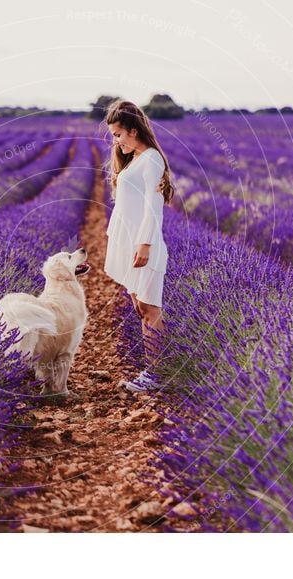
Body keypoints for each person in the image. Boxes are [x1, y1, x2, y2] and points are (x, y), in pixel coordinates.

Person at [101, 100, 174, 392]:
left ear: (133, 130)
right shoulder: (135, 160)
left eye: (118, 134)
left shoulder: (152, 158)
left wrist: (145, 244)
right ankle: (157, 371)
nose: (115, 142)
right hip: (133, 244)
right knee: (142, 308)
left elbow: (152, 206)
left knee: (150, 310)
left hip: (146, 245)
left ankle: (157, 375)